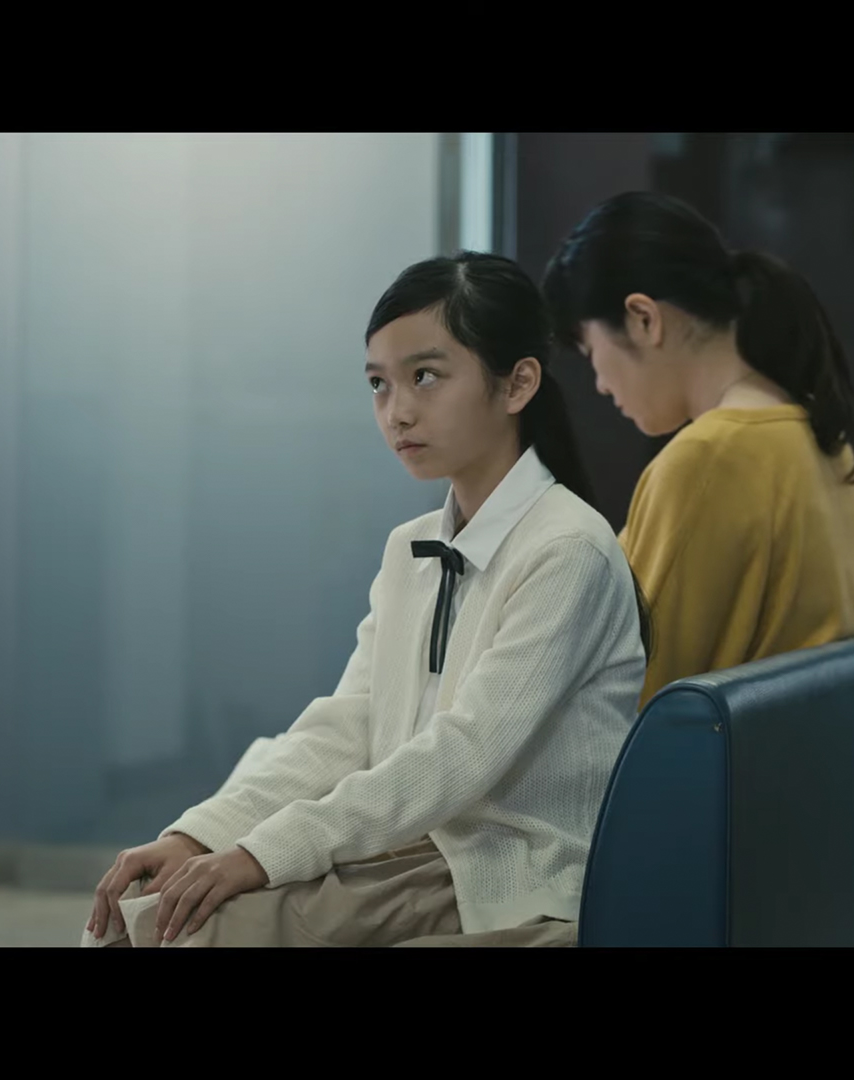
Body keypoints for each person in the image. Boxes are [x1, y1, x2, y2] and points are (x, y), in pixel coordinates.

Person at [81, 252, 646, 948]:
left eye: (426, 376)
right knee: (139, 920)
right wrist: (204, 833)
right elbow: (346, 728)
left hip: (505, 877)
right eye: (379, 384)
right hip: (406, 853)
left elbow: (461, 755)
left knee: (186, 933)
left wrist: (263, 853)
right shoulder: (412, 547)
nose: (397, 411)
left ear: (517, 383)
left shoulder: (568, 548)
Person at [542, 191, 854, 709]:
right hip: (801, 753)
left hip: (706, 760)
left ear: (643, 319)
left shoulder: (706, 459)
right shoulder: (823, 436)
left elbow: (626, 693)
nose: (601, 384)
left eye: (590, 352)